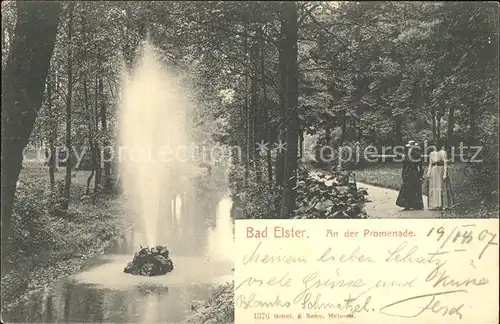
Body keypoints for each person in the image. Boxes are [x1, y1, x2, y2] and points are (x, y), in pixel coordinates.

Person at [396, 140, 424, 210]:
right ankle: (407, 204)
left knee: (415, 187)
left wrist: (421, 175)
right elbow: (404, 166)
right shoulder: (406, 155)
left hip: (414, 173)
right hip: (407, 173)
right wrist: (403, 174)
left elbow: (421, 166)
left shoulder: (417, 155)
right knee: (406, 188)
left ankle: (416, 204)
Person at [427, 143, 454, 210]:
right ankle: (435, 204)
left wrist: (445, 173)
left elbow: (445, 164)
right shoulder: (431, 154)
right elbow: (430, 164)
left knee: (442, 186)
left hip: (441, 170)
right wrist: (428, 173)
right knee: (434, 186)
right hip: (434, 170)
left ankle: (443, 204)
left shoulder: (443, 153)